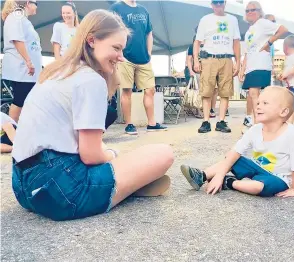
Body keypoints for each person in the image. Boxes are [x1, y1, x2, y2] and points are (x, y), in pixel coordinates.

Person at [11, 10, 174, 221]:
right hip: (62, 190)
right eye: (116, 48)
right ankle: (123, 186)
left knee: (107, 152)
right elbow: (90, 155)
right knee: (163, 153)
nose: (121, 57)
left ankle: (122, 184)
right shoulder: (91, 80)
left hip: (23, 187)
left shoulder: (57, 71)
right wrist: (113, 156)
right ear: (91, 40)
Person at [180, 86, 294, 198]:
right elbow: (235, 152)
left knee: (259, 187)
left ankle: (229, 183)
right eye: (258, 103)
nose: (258, 106)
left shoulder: (291, 134)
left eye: (265, 103)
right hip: (256, 168)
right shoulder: (255, 129)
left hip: (277, 178)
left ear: (283, 111)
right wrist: (219, 174)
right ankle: (201, 176)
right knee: (232, 158)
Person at [110, 0, 167, 135]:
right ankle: (129, 124)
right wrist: (118, 51)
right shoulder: (116, 7)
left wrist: (149, 52)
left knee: (150, 90)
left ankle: (152, 124)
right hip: (125, 58)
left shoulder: (143, 10)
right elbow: (110, 31)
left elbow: (149, 33)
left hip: (144, 58)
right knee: (127, 90)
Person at [239, 1, 287, 131]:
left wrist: (269, 43)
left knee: (256, 94)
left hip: (260, 64)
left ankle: (258, 125)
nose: (250, 12)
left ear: (259, 11)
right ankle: (261, 124)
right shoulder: (250, 29)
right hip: (251, 65)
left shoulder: (263, 23)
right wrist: (242, 68)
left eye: (253, 9)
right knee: (253, 95)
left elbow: (282, 29)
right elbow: (248, 51)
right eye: (247, 10)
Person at [194, 0, 241, 133]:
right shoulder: (205, 19)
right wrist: (196, 61)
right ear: (212, 4)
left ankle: (221, 121)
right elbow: (197, 42)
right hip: (209, 58)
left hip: (226, 58)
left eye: (221, 2)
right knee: (206, 91)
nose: (218, 5)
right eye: (215, 2)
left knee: (225, 92)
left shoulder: (233, 20)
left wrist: (238, 62)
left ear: (225, 3)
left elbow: (236, 42)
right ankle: (206, 121)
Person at [1, 0, 42, 122]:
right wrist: (29, 61)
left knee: (24, 101)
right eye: (36, 3)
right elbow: (17, 39)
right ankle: (9, 134)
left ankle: (18, 131)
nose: (36, 7)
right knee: (19, 101)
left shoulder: (22, 19)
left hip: (27, 72)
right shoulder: (16, 16)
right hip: (21, 69)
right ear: (28, 3)